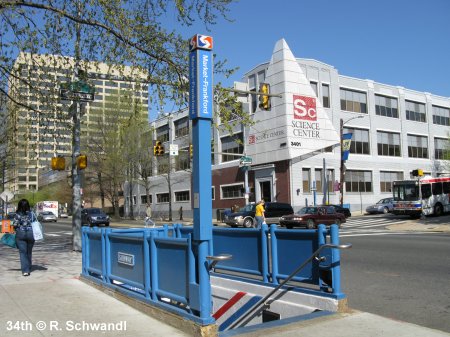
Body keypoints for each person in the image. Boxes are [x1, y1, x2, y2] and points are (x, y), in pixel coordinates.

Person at [13, 199, 36, 276]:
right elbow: (35, 222)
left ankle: (25, 270)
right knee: (29, 251)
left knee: (23, 253)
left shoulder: (18, 214)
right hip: (31, 234)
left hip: (20, 234)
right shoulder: (32, 214)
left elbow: (15, 225)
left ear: (19, 205)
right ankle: (29, 266)